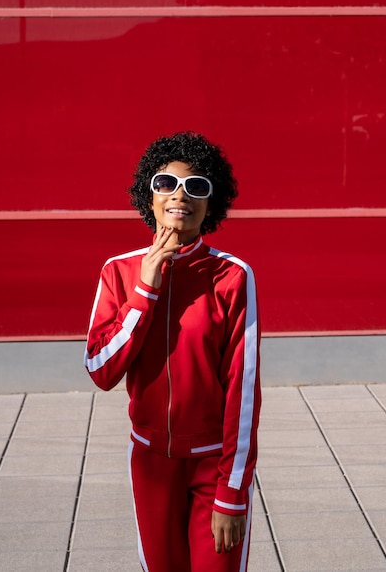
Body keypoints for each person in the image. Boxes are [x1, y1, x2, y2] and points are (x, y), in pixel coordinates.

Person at [84, 131, 261, 572]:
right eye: (166, 183)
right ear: (150, 193)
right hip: (151, 464)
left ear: (211, 203)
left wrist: (231, 495)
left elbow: (244, 392)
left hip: (213, 465)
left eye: (197, 186)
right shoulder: (119, 272)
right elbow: (101, 370)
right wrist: (146, 289)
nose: (180, 195)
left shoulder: (232, 276)